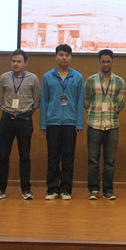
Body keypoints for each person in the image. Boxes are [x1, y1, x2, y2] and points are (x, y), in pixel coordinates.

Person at [0, 49, 41, 201]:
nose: (15, 64)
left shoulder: (33, 78)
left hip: (24, 121)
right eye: (13, 61)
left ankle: (26, 190)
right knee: (3, 156)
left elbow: (36, 102)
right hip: (7, 119)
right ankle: (0, 190)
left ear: (25, 63)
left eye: (19, 61)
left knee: (25, 156)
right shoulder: (4, 77)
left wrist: (24, 113)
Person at [39, 44, 84, 200]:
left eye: (67, 55)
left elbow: (79, 102)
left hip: (70, 123)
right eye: (61, 55)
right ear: (56, 57)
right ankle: (52, 189)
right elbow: (44, 101)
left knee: (68, 158)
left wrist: (79, 123)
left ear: (70, 57)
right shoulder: (48, 77)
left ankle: (66, 189)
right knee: (53, 157)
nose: (64, 58)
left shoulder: (77, 77)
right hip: (52, 122)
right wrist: (43, 123)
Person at [85, 49, 126, 200]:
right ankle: (94, 190)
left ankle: (108, 190)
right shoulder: (91, 80)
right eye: (103, 61)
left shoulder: (119, 82)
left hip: (112, 126)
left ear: (112, 62)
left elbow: (120, 104)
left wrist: (110, 112)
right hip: (94, 125)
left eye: (108, 61)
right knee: (93, 160)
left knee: (110, 161)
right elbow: (86, 101)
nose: (106, 64)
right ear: (99, 62)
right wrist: (95, 112)